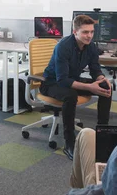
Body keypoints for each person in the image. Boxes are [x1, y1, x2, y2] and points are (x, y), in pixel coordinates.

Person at [41, 15, 112, 160]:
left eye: (91, 32)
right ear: (75, 32)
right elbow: (62, 80)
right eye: (85, 32)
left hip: (70, 79)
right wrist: (90, 87)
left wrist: (101, 79)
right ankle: (69, 143)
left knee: (105, 88)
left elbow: (95, 69)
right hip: (51, 83)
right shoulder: (63, 46)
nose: (89, 36)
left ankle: (102, 133)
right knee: (70, 95)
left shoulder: (91, 47)